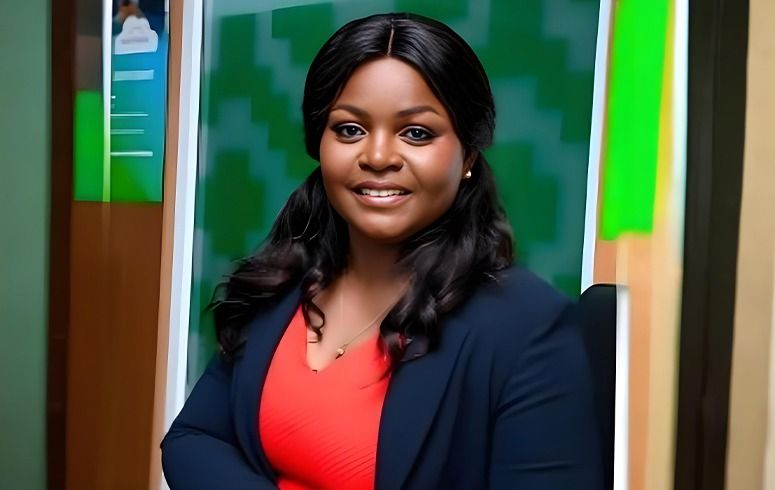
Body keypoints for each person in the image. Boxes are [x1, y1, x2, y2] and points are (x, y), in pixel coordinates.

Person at [161, 12, 603, 490]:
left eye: (416, 133)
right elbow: (192, 438)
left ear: (468, 155)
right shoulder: (283, 283)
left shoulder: (529, 328)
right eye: (350, 129)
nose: (377, 157)